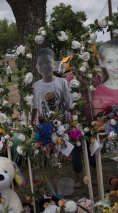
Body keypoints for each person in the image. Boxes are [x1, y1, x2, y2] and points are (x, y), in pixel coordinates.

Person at [31, 49, 92, 187]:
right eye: (41, 63)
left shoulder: (62, 83)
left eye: (48, 62)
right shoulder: (36, 86)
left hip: (63, 124)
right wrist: (32, 122)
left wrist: (72, 122)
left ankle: (76, 177)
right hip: (45, 126)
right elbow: (34, 107)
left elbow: (69, 104)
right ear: (37, 67)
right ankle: (40, 183)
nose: (45, 66)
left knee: (74, 149)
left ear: (54, 64)